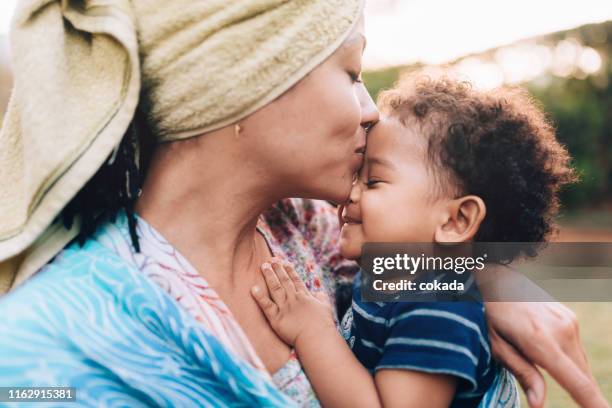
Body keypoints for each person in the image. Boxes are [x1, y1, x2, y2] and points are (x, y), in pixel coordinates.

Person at [0, 0, 605, 407]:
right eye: (350, 73)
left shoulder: (305, 227)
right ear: (247, 81)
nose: (370, 109)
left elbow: (423, 255)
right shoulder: (49, 353)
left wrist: (484, 274)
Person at [249, 74, 582, 407]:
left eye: (374, 181)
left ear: (456, 220)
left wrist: (313, 332)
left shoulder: (439, 307)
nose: (348, 194)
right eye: (357, 177)